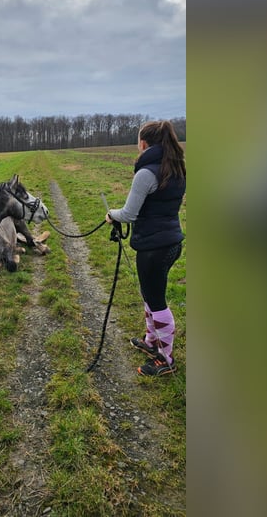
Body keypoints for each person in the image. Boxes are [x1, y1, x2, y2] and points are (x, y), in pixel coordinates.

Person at [106, 120, 186, 376]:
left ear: (144, 143)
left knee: (156, 300)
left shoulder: (146, 173)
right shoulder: (176, 168)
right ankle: (152, 342)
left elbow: (129, 214)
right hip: (172, 243)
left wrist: (111, 215)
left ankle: (166, 358)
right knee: (149, 294)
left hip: (154, 249)